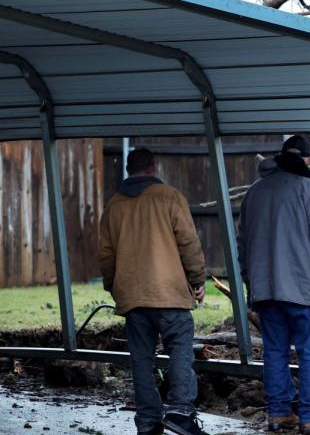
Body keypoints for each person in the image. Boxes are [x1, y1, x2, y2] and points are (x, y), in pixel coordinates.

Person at [238, 135, 310, 434]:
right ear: (308, 159)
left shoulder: (255, 193)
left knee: (275, 351)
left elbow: (242, 246)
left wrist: (251, 283)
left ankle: (278, 414)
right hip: (303, 290)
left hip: (266, 291)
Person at [98, 148, 208, 435]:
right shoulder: (170, 197)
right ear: (153, 167)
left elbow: (106, 255)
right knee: (181, 348)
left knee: (141, 360)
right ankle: (180, 412)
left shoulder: (114, 206)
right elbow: (188, 242)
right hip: (170, 293)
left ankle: (148, 422)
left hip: (133, 297)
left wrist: (115, 287)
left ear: (127, 169)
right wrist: (197, 279)